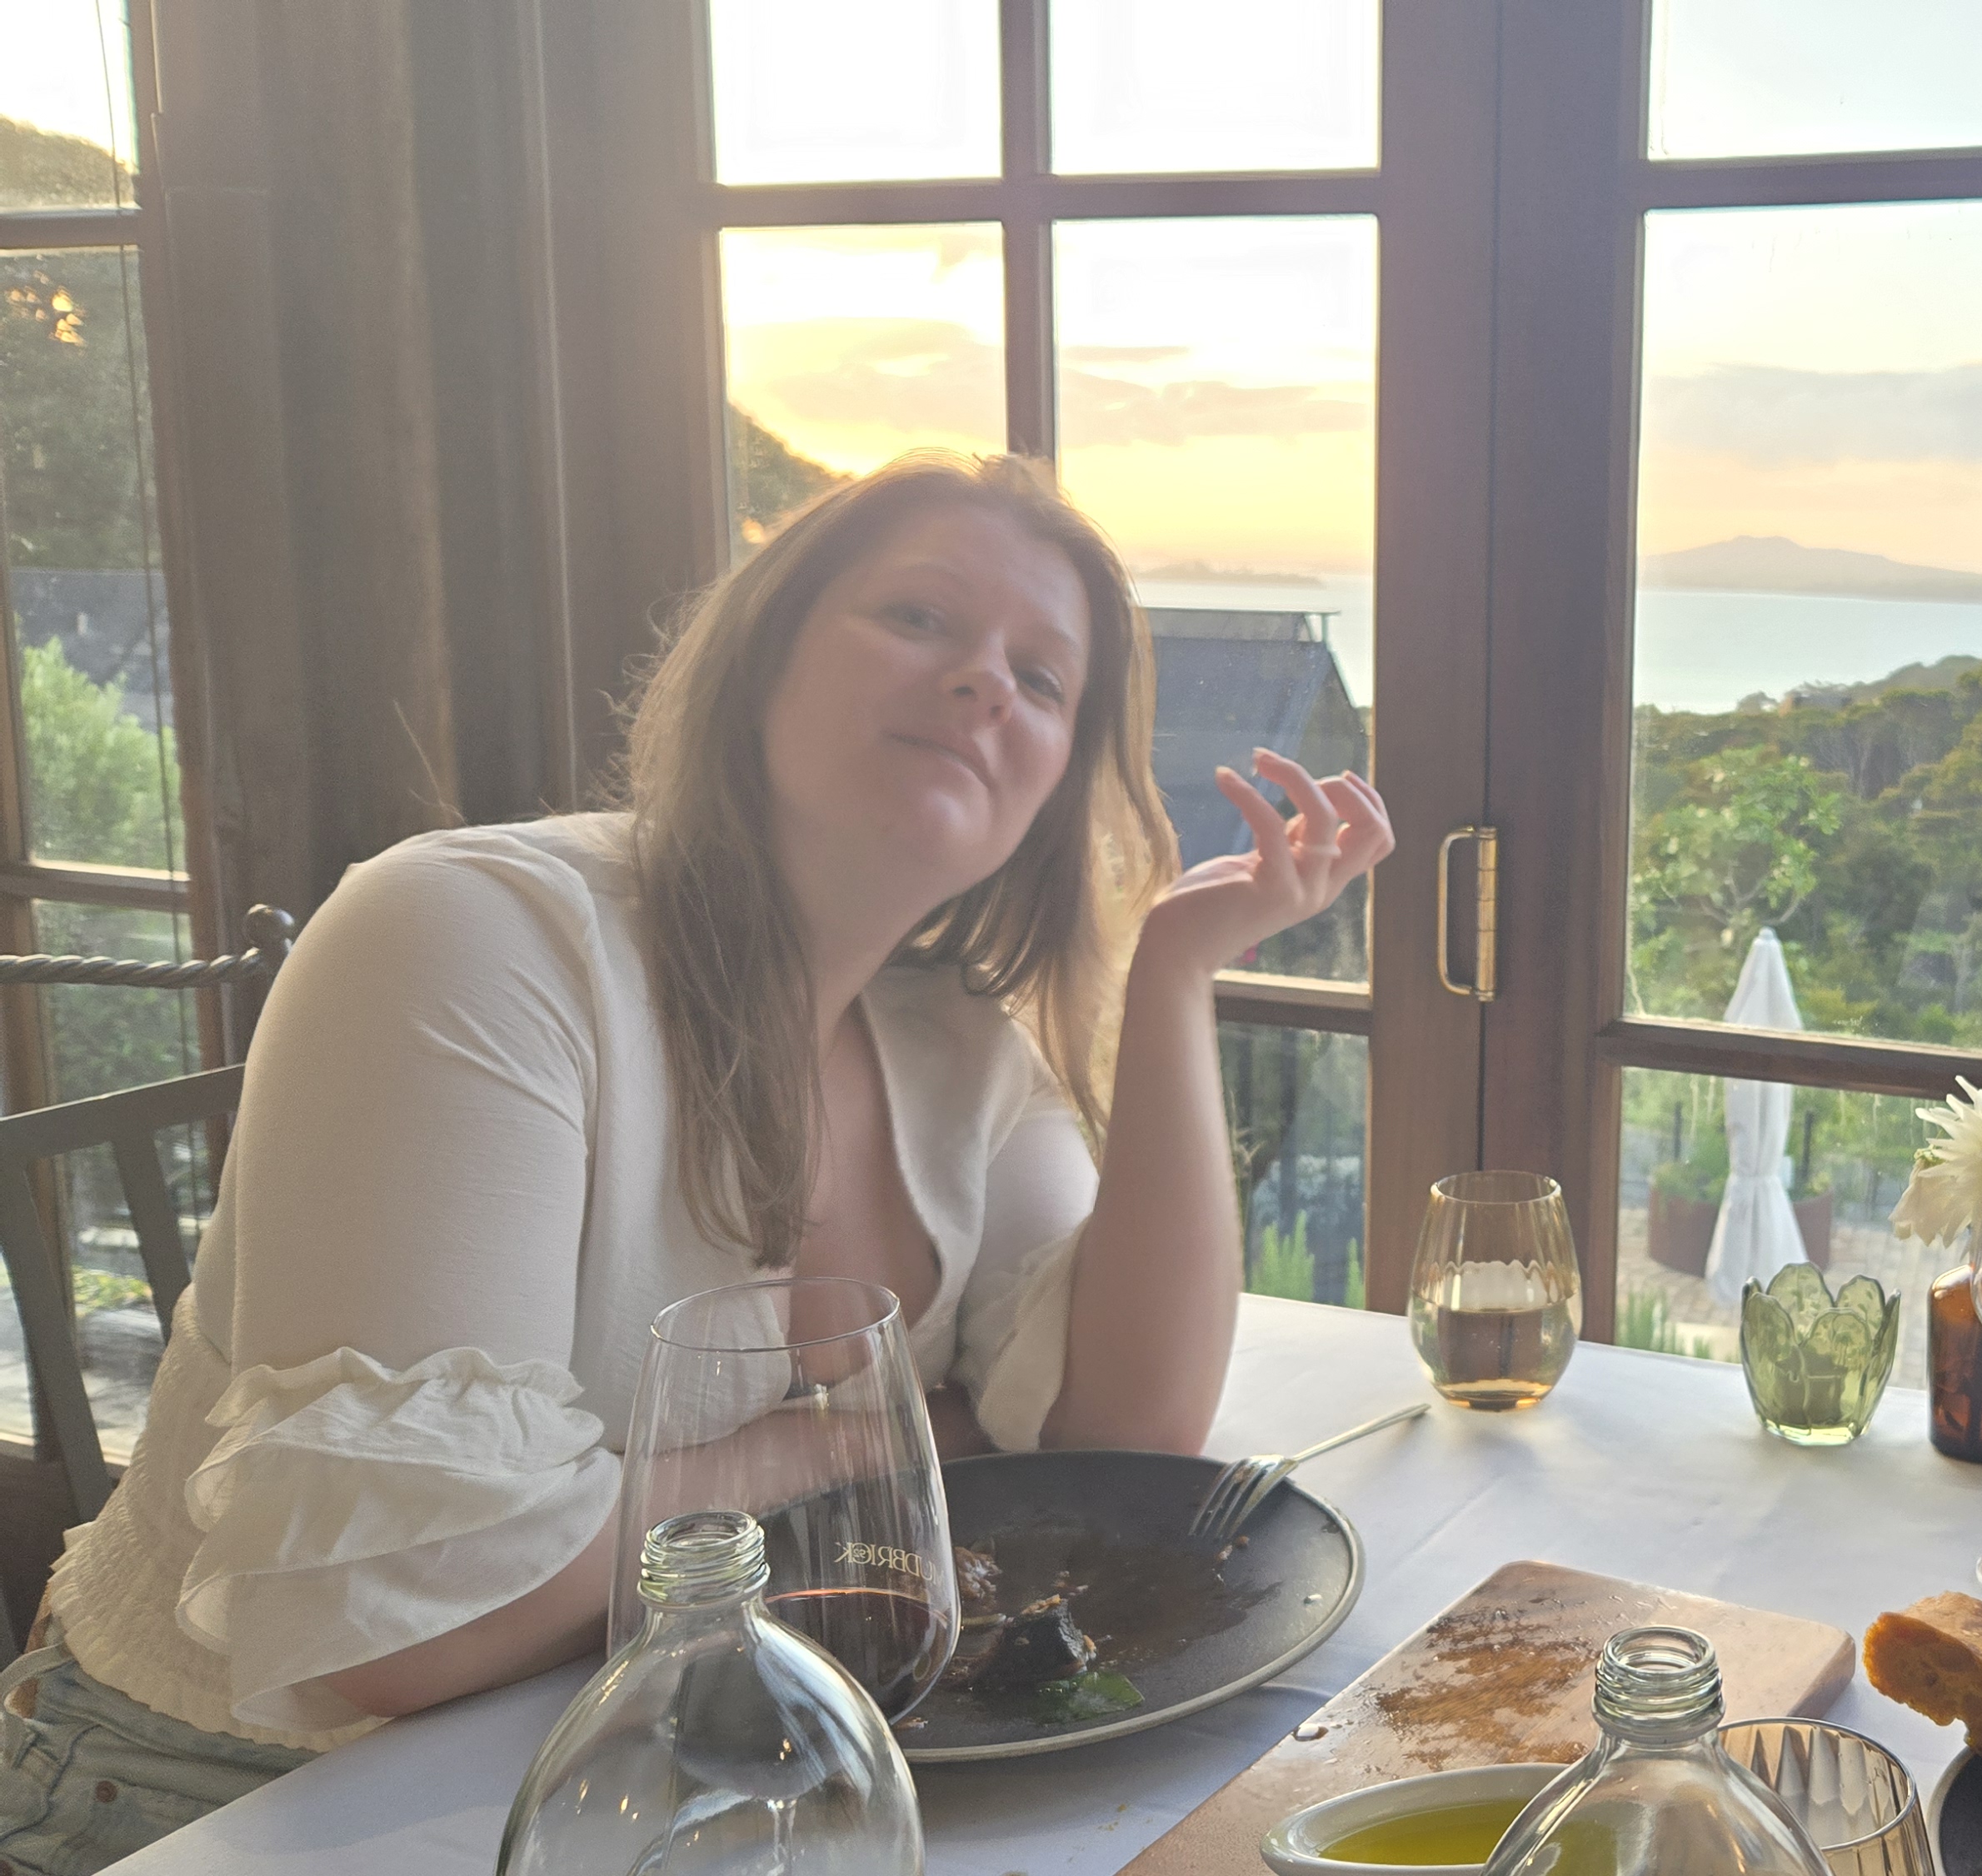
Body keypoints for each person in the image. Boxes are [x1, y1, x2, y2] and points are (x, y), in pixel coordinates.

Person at [0, 452, 1392, 1869]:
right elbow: (408, 1626)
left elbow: (1125, 1438)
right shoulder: (474, 942)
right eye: (920, 619)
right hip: (226, 1800)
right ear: (758, 658)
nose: (987, 682)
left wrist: (1171, 977)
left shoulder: (959, 1038)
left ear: (1053, 788)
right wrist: (883, 1443)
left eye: (1043, 679)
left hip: (693, 1784)